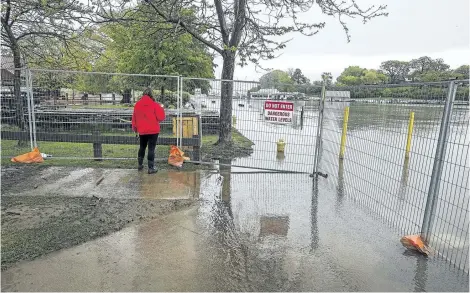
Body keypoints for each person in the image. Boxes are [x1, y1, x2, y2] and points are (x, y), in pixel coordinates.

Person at [132, 88, 166, 174]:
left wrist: (135, 130)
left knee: (142, 147)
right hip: (153, 131)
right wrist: (162, 108)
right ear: (151, 95)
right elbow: (161, 117)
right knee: (151, 149)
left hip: (142, 130)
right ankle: (151, 168)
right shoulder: (155, 105)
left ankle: (140, 165)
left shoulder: (137, 105)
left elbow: (134, 118)